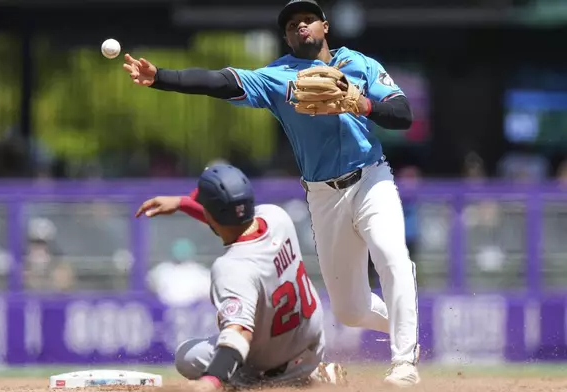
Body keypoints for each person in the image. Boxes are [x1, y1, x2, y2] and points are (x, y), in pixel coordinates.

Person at [124, 0, 420, 386]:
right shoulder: (278, 76)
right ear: (285, 36)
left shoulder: (359, 65)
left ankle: (403, 363)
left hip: (371, 179)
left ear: (325, 26)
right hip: (322, 195)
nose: (301, 26)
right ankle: (406, 323)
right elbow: (221, 81)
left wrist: (362, 103)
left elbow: (402, 114)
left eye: (308, 20)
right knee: (350, 310)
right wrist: (160, 76)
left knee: (392, 256)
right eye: (292, 24)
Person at [135, 164, 346, 391]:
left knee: (187, 355)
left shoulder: (231, 267)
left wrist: (211, 381)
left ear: (208, 213)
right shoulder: (278, 217)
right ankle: (313, 371)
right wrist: (182, 203)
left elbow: (239, 334)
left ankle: (267, 383)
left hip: (269, 364)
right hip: (311, 346)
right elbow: (233, 219)